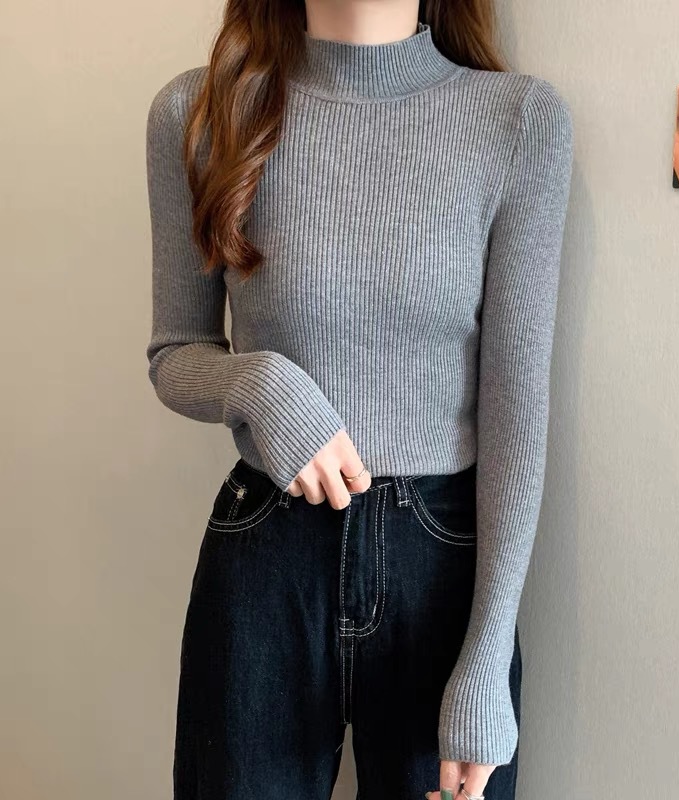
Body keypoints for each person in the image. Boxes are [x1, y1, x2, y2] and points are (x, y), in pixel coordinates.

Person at [145, 1, 574, 798]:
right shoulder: (199, 114)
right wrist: (261, 385)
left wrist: (487, 660)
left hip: (444, 568)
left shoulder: (518, 121)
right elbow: (176, 354)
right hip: (266, 550)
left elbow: (516, 410)